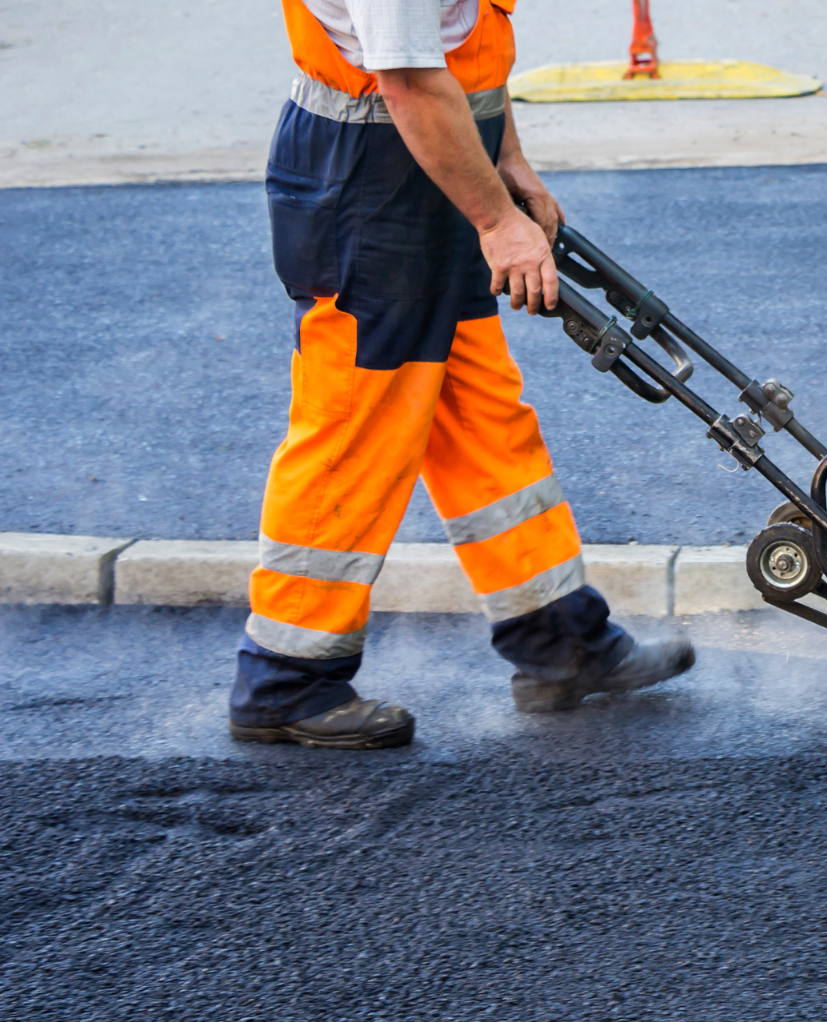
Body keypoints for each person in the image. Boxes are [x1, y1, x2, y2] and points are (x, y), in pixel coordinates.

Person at [228, 0, 694, 749]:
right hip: (369, 183)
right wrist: (497, 222)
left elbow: (463, 53)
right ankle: (284, 676)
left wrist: (508, 159)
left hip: (434, 164)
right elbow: (408, 78)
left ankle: (560, 641)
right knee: (357, 427)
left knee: (481, 415)